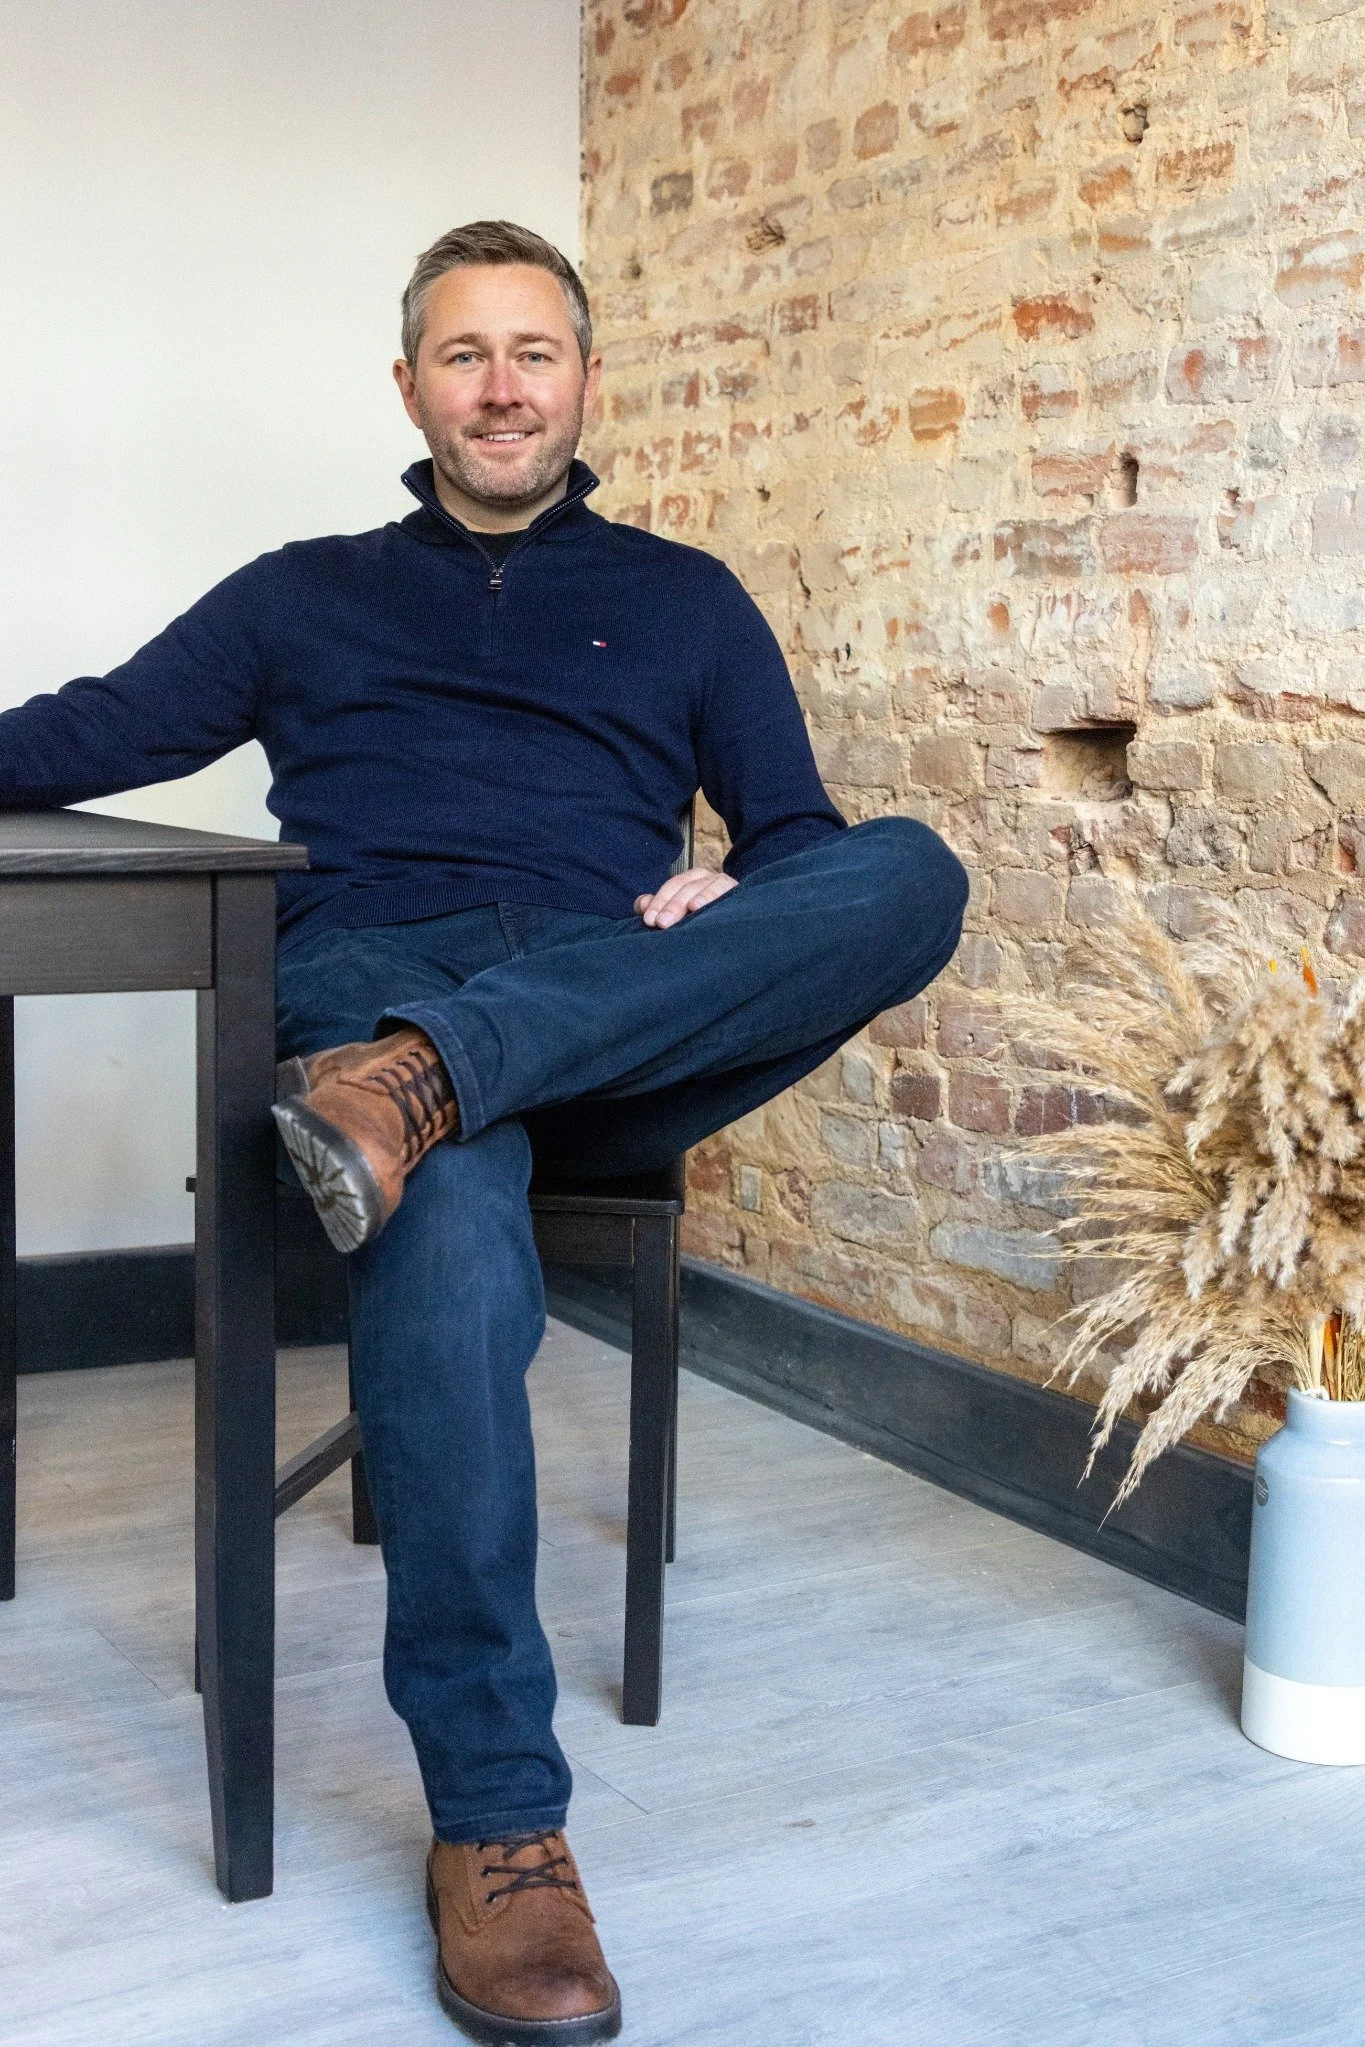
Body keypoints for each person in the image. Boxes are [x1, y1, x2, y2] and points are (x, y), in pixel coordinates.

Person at [0, 221, 968, 2043]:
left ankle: (446, 1073)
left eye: (537, 350)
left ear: (587, 381)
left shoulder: (686, 597)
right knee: (438, 1246)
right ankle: (503, 1826)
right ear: (408, 386)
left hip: (600, 1013)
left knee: (909, 876)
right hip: (367, 988)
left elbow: (804, 841)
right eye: (466, 354)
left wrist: (732, 887)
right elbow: (91, 728)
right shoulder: (305, 593)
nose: (504, 385)